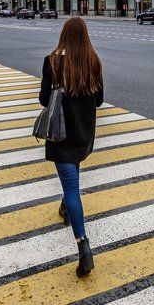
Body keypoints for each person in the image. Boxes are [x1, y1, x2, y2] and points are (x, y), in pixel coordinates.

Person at [40, 17, 103, 277]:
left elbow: (44, 100)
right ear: (84, 35)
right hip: (84, 133)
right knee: (72, 178)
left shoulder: (52, 61)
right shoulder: (93, 61)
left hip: (61, 134)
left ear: (64, 35)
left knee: (71, 186)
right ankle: (65, 207)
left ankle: (83, 246)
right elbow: (99, 101)